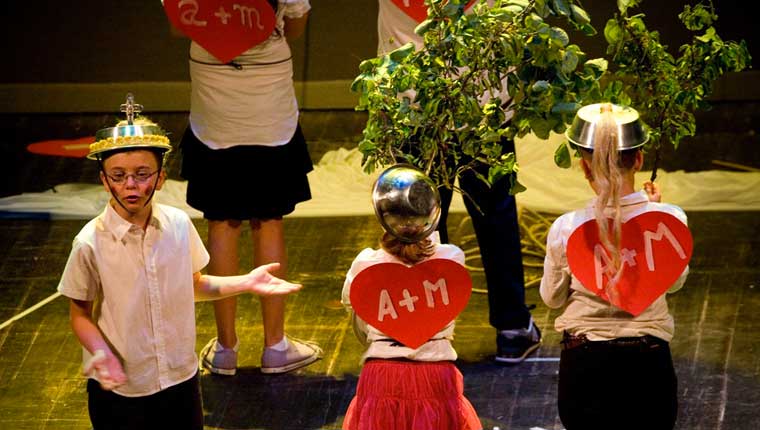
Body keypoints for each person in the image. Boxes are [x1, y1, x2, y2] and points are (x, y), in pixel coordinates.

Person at [58, 115, 303, 429]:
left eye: (142, 174)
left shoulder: (177, 224)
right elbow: (79, 314)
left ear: (160, 177)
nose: (130, 185)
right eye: (118, 176)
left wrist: (246, 282)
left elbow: (193, 285)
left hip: (179, 381)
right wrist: (102, 353)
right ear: (104, 180)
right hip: (123, 389)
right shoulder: (90, 242)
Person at [376, 0, 540, 364]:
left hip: (414, 107)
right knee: (494, 214)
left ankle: (431, 324)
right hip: (481, 102)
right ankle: (512, 327)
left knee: (421, 221)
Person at [175, 0, 322, 375]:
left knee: (222, 220)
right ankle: (275, 346)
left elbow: (180, 23)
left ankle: (226, 349)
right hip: (267, 104)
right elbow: (297, 24)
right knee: (269, 219)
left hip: (215, 106)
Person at [539, 103, 689, 429]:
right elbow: (674, 283)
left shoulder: (567, 228)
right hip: (649, 365)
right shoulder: (671, 220)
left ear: (584, 166)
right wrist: (655, 213)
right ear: (638, 159)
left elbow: (551, 299)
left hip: (585, 368)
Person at [341, 165, 482, 430]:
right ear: (433, 215)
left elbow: (353, 305)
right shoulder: (451, 259)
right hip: (437, 376)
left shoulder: (365, 265)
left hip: (382, 376)